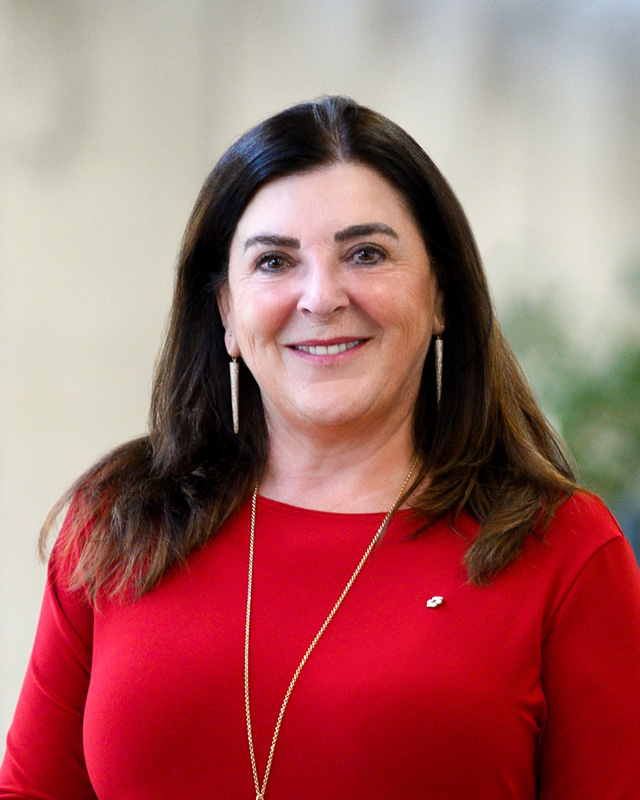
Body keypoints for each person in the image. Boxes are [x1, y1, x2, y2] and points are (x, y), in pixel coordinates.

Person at [1, 96, 639, 800]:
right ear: (227, 313)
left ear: (442, 297)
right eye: (274, 262)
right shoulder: (121, 522)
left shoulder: (565, 551)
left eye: (366, 253)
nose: (321, 296)